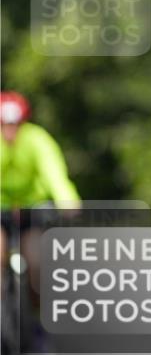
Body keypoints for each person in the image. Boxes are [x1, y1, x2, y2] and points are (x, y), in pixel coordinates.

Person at [0, 91, 81, 330]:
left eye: (15, 125)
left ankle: (34, 320)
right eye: (4, 125)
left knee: (36, 264)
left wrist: (68, 200)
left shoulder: (37, 139)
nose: (10, 131)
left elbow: (53, 172)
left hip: (31, 209)